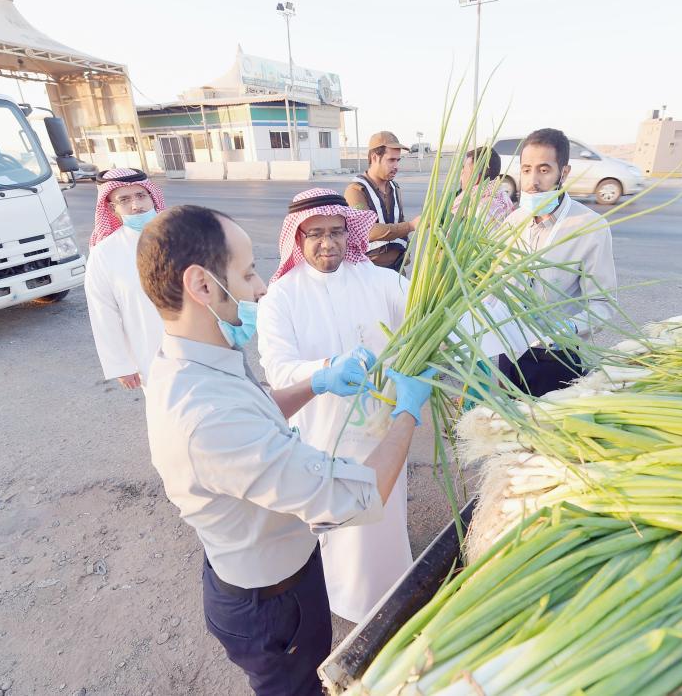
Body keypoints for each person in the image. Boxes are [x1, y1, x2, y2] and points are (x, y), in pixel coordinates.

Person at [136, 204, 434, 695]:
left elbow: (253, 407)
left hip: (275, 572)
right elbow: (351, 497)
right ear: (202, 285)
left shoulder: (194, 363)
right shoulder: (207, 416)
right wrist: (407, 414)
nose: (258, 288)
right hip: (270, 605)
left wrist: (314, 383)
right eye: (248, 272)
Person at [258, 188, 413, 624]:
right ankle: (346, 601)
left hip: (382, 425)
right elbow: (279, 369)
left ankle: (394, 584)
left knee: (385, 512)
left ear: (351, 233)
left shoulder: (381, 280)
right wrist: (327, 369)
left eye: (336, 232)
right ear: (297, 239)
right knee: (339, 522)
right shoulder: (281, 297)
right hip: (325, 431)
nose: (328, 243)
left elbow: (426, 315)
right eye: (315, 234)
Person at [499, 128, 617, 397]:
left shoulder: (589, 227)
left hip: (557, 362)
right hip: (510, 355)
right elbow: (498, 284)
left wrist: (570, 327)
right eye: (526, 169)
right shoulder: (513, 222)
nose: (532, 181)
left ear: (563, 173)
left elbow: (603, 303)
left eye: (543, 170)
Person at [84, 168, 167, 390]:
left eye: (141, 196)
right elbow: (103, 312)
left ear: (152, 196)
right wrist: (121, 364)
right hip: (150, 353)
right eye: (124, 200)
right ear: (112, 208)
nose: (136, 205)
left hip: (201, 345)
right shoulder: (104, 253)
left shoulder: (181, 234)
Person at [344, 131, 420, 271]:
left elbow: (399, 221)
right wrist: (410, 226)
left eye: (398, 160)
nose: (396, 166)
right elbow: (368, 230)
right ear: (374, 157)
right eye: (391, 160)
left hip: (397, 269)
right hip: (368, 272)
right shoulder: (356, 190)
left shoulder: (394, 187)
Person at [452, 147, 514, 224]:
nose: (461, 173)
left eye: (464, 168)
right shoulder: (505, 199)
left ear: (476, 178)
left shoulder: (466, 206)